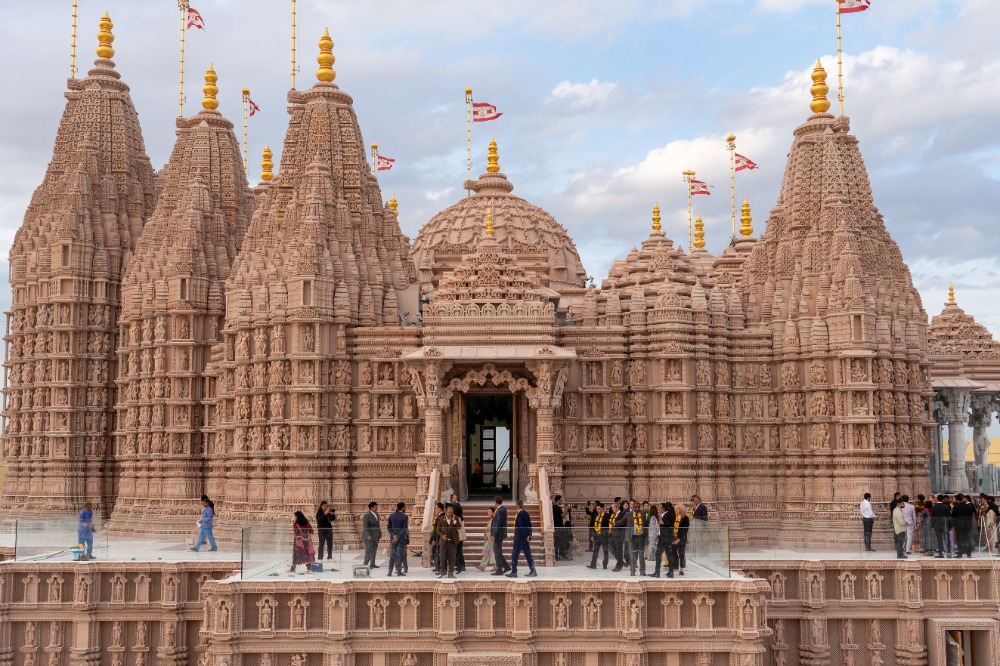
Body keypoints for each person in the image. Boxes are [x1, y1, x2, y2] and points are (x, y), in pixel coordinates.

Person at [507, 500, 538, 578]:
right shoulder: (526, 513)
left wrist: (525, 535)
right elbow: (529, 525)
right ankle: (533, 570)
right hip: (524, 537)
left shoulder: (520, 514)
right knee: (527, 553)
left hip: (519, 537)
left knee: (515, 554)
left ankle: (514, 571)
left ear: (517, 506)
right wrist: (529, 535)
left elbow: (521, 526)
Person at [436, 504, 461, 578]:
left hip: (453, 542)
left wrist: (454, 521)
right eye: (449, 512)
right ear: (445, 512)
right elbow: (438, 529)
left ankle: (451, 573)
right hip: (443, 542)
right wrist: (442, 535)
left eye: (452, 512)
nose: (451, 514)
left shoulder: (455, 517)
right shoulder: (441, 519)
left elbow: (459, 527)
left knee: (452, 558)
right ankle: (442, 572)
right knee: (442, 558)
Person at [650, 502, 674, 578]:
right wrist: (659, 536)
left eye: (660, 508)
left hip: (665, 539)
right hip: (663, 538)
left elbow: (669, 524)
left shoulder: (668, 515)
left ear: (663, 509)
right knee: (667, 555)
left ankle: (658, 573)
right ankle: (669, 572)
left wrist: (663, 523)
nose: (659, 509)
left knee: (659, 554)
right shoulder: (664, 515)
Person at [386, 501, 409, 576]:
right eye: (405, 507)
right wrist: (398, 536)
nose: (405, 508)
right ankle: (399, 572)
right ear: (402, 508)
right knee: (400, 555)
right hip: (401, 538)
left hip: (393, 538)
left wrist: (394, 535)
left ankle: (389, 572)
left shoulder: (392, 516)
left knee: (392, 555)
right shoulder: (404, 517)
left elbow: (389, 528)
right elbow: (404, 528)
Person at [587, 501, 611, 569]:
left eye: (599, 508)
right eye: (597, 508)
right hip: (597, 536)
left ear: (602, 508)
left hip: (604, 536)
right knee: (595, 550)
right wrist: (592, 535)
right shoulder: (595, 516)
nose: (598, 510)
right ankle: (593, 564)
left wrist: (608, 534)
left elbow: (610, 526)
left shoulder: (607, 516)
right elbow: (594, 527)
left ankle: (605, 564)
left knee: (605, 550)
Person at [491, 496, 510, 575]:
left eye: (494, 502)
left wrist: (494, 534)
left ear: (496, 502)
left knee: (497, 552)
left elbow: (498, 524)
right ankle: (506, 566)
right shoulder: (503, 509)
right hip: (500, 534)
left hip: (498, 535)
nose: (494, 504)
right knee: (498, 552)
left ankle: (499, 569)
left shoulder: (500, 511)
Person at [952, 493, 975, 558]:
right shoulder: (968, 506)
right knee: (967, 538)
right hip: (967, 525)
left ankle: (960, 553)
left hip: (959, 525)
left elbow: (953, 515)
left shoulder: (956, 506)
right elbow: (970, 515)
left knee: (960, 539)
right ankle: (968, 553)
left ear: (957, 499)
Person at [629, 499, 647, 576]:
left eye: (638, 508)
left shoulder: (642, 513)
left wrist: (646, 535)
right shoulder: (629, 514)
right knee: (634, 555)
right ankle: (632, 571)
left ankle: (642, 571)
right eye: (636, 507)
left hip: (641, 537)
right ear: (633, 507)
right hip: (633, 537)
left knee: (641, 555)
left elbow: (646, 525)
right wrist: (615, 524)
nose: (637, 509)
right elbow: (622, 521)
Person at [611, 500, 631, 572]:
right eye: (612, 507)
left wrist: (622, 535)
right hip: (613, 535)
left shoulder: (622, 514)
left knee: (619, 550)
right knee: (612, 548)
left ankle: (619, 565)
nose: (612, 509)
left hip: (620, 535)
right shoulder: (613, 515)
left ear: (617, 508)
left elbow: (623, 525)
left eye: (613, 507)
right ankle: (621, 561)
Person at [931, 494, 952, 558]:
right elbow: (949, 516)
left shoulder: (934, 507)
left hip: (937, 525)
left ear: (937, 499)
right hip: (945, 524)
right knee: (947, 539)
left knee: (939, 539)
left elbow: (932, 517)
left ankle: (941, 553)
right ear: (943, 499)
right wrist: (950, 525)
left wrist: (932, 525)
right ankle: (948, 553)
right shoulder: (946, 506)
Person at [672, 502, 690, 575]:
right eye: (675, 508)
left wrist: (679, 539)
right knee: (673, 552)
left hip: (681, 538)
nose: (675, 510)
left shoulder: (685, 518)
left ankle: (681, 569)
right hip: (674, 538)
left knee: (681, 553)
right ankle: (675, 566)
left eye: (676, 508)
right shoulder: (674, 517)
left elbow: (685, 530)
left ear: (680, 509)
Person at [449, 494, 466, 573]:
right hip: (460, 537)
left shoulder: (457, 518)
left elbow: (458, 526)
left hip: (458, 537)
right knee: (459, 551)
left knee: (457, 552)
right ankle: (462, 565)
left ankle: (460, 566)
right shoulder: (460, 517)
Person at [477, 506, 497, 571]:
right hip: (488, 538)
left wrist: (487, 535)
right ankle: (496, 567)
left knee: (487, 552)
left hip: (491, 538)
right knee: (491, 552)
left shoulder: (494, 520)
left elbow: (493, 530)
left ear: (493, 512)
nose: (488, 513)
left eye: (489, 511)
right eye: (488, 511)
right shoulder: (490, 520)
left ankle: (482, 566)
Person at [362, 501, 381, 568]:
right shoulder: (367, 515)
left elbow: (378, 525)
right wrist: (368, 535)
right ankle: (365, 564)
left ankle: (372, 564)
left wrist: (379, 533)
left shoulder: (376, 514)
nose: (377, 508)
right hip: (369, 537)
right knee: (369, 550)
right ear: (371, 507)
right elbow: (365, 526)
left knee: (374, 550)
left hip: (375, 536)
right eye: (376, 507)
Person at [429, 502, 445, 574]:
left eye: (436, 508)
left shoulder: (441, 517)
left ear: (440, 508)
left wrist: (434, 539)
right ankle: (437, 567)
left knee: (438, 553)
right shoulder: (439, 516)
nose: (435, 509)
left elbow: (437, 530)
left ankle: (439, 568)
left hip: (438, 538)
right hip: (437, 537)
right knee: (435, 552)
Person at [552, 495, 567, 560]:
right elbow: (563, 516)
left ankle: (557, 556)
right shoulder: (557, 507)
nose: (561, 501)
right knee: (560, 542)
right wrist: (566, 509)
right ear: (558, 500)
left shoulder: (552, 507)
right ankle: (559, 556)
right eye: (560, 500)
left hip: (555, 526)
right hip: (558, 527)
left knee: (556, 542)